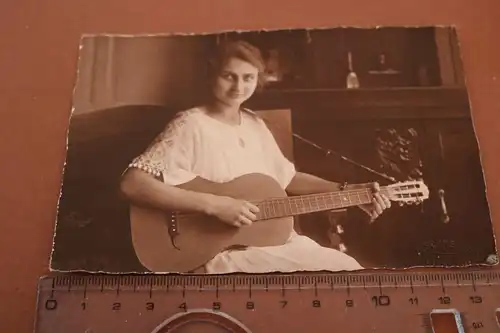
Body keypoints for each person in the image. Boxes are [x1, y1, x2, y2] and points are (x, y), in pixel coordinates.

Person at [120, 40, 391, 274]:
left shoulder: (255, 125)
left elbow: (288, 179)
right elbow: (133, 184)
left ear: (257, 80)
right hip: (215, 251)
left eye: (248, 77)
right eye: (229, 76)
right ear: (212, 75)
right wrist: (215, 205)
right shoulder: (190, 125)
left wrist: (348, 192)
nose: (238, 86)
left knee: (348, 270)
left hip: (266, 242)